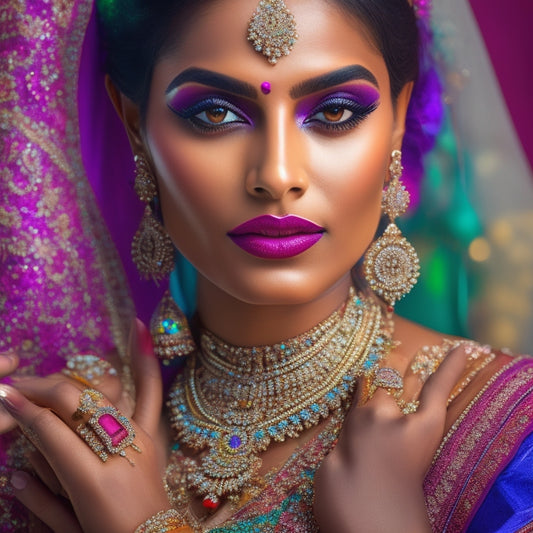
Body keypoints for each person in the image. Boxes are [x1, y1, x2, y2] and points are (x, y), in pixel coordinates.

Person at [0, 0, 532, 531]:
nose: (277, 175)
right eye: (215, 113)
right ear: (136, 129)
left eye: (334, 112)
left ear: (396, 121)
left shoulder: (508, 436)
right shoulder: (67, 447)